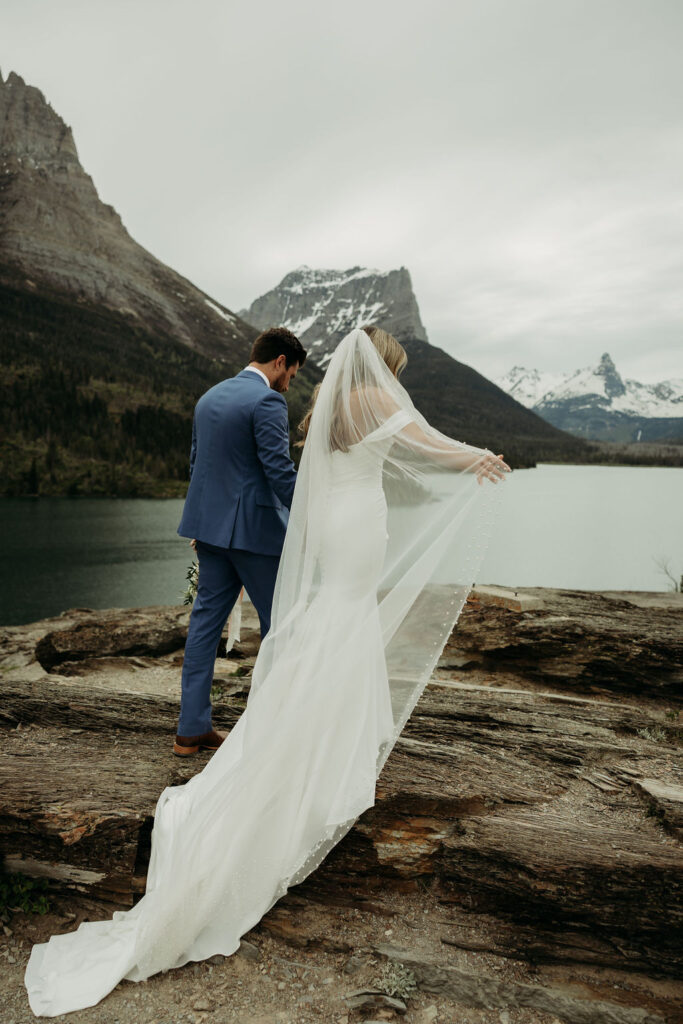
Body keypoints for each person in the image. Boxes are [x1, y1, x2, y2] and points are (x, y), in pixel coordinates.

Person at [24, 326, 509, 1017]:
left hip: (255, 521)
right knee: (329, 620)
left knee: (262, 624)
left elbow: (250, 463)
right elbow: (418, 441)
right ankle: (316, 735)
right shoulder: (369, 395)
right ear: (379, 363)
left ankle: (211, 727)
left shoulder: (308, 406)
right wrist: (475, 460)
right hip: (316, 527)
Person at [173, 326, 306, 756]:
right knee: (279, 626)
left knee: (204, 625)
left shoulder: (208, 397)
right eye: (292, 373)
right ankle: (274, 731)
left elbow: (198, 465)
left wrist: (201, 524)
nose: (290, 384)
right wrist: (313, 517)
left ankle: (191, 728)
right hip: (256, 534)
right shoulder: (267, 400)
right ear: (280, 362)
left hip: (210, 532)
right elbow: (279, 470)